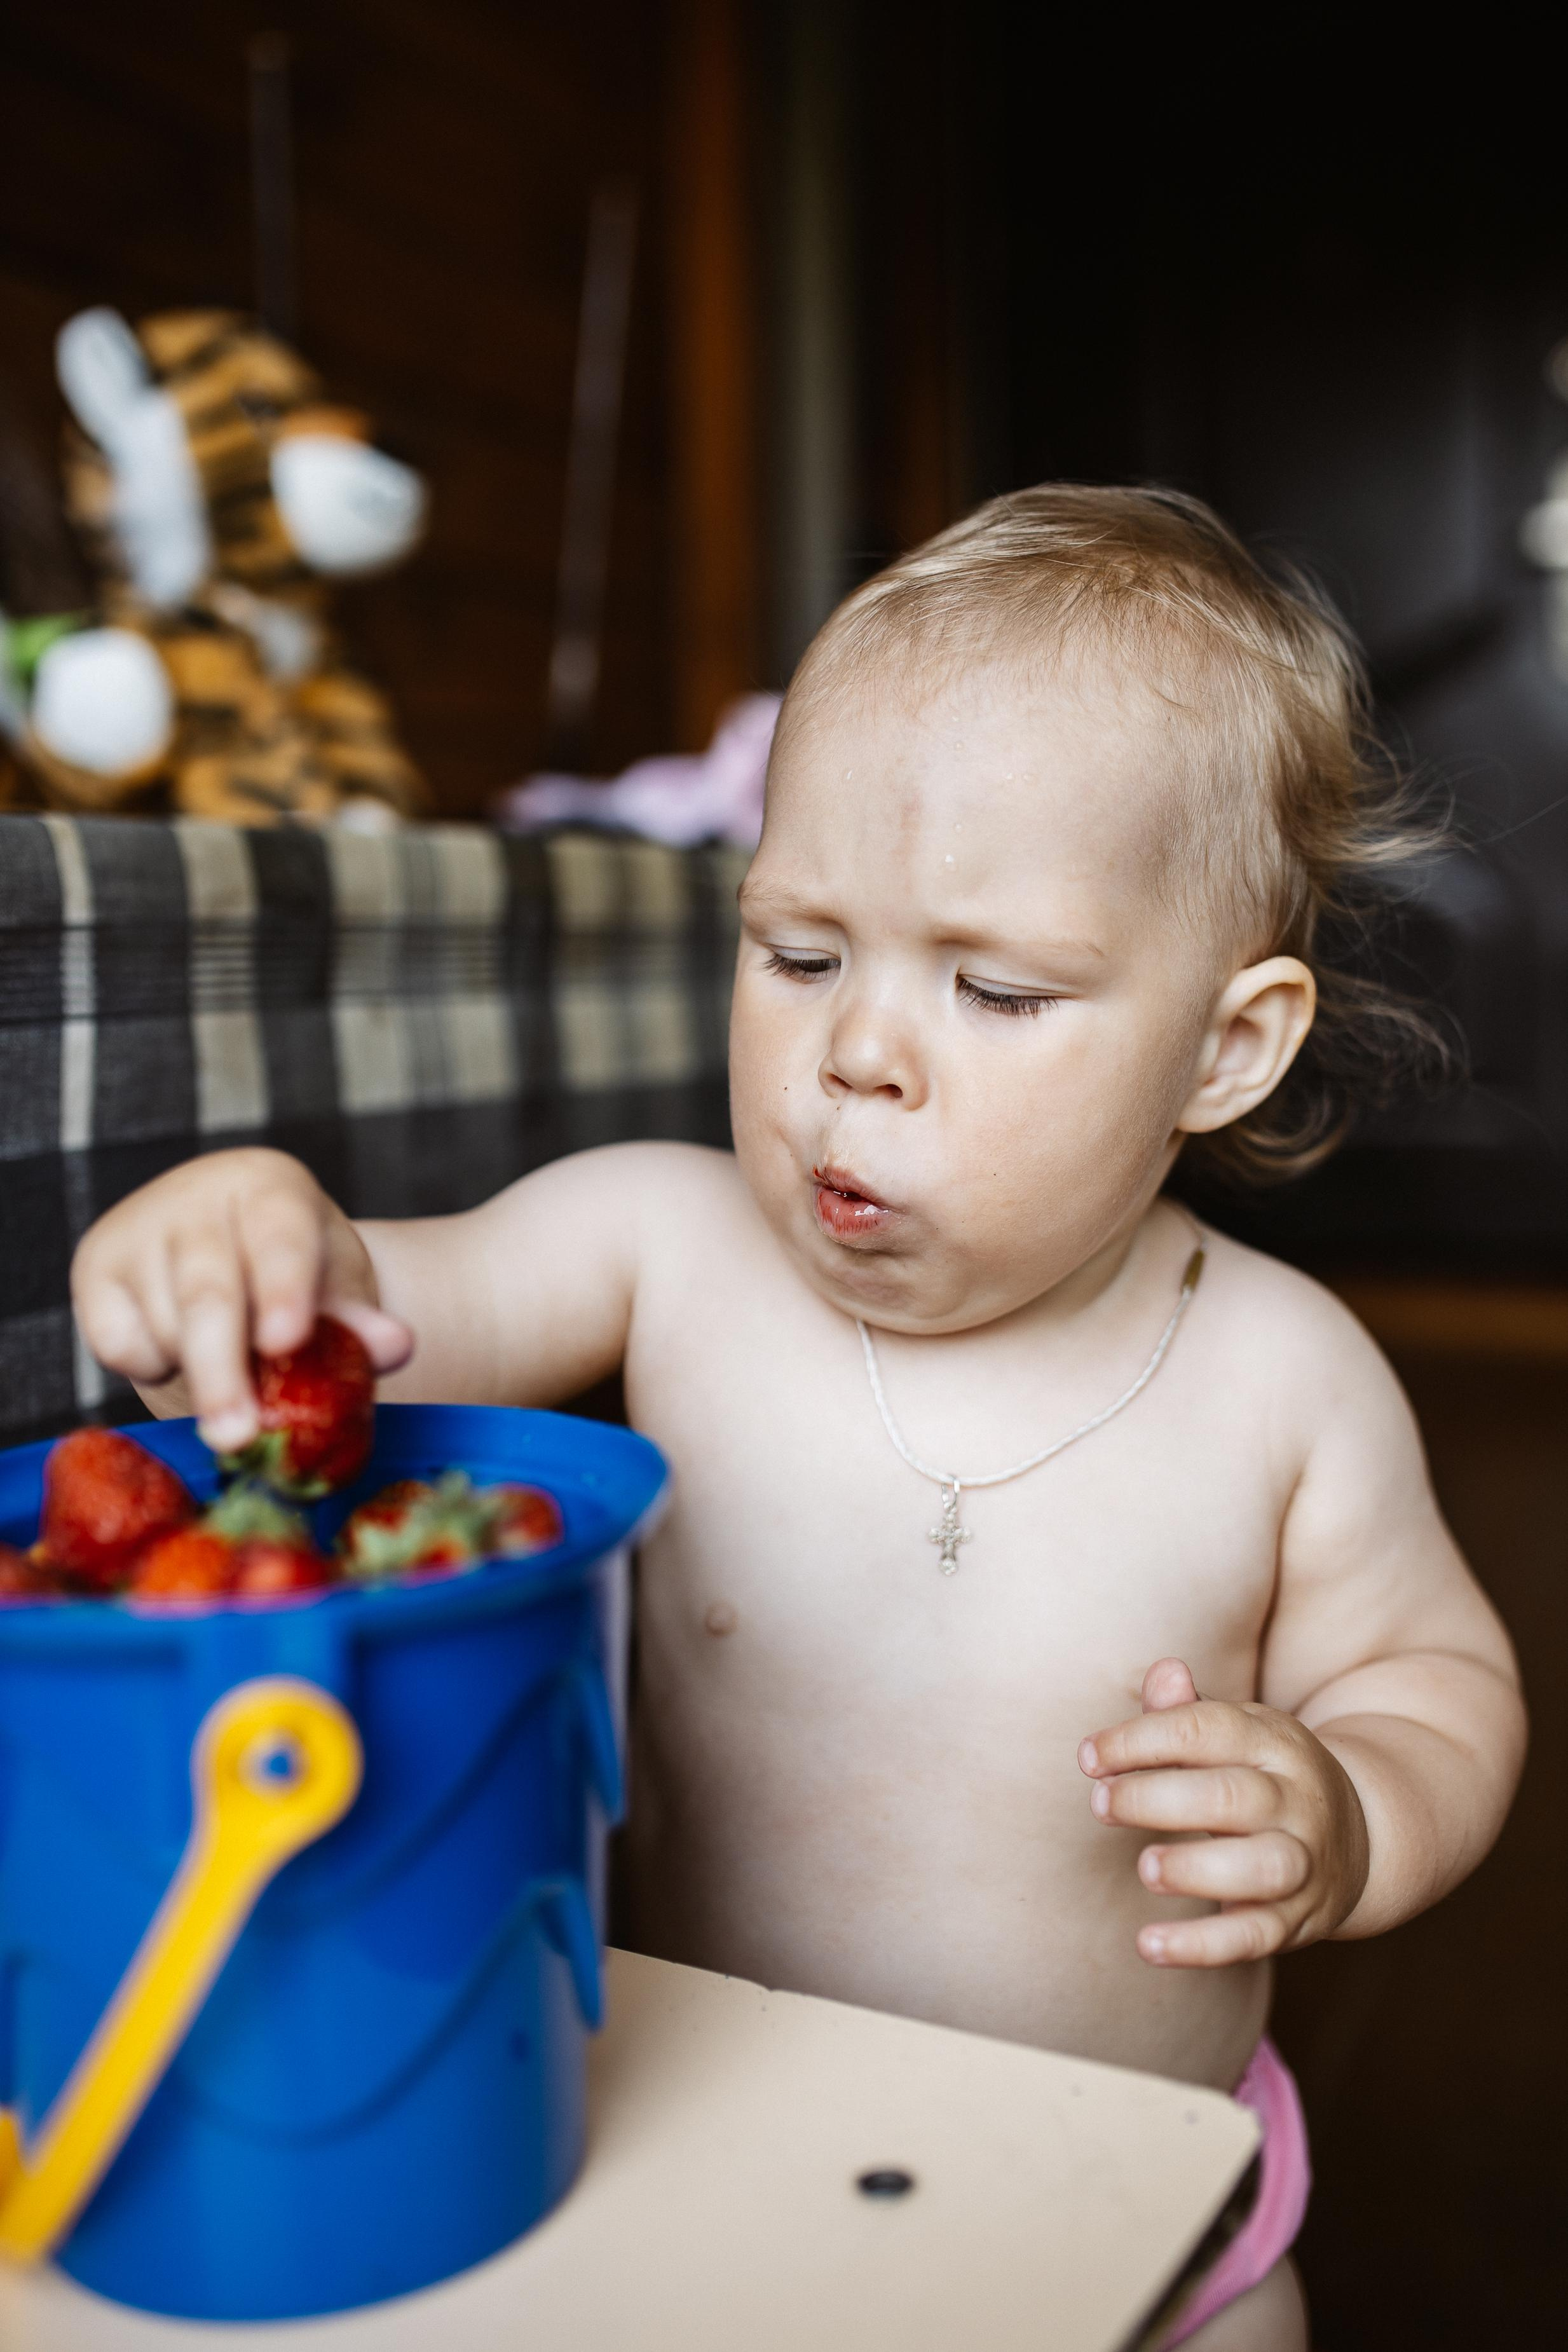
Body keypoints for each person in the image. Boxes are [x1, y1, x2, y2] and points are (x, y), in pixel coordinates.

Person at [72, 487, 1525, 2349]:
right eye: (798, 950)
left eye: (994, 987)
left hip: (1136, 2203)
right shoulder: (662, 1242)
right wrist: (246, 1233)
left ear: (1220, 1047)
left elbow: (1433, 1674)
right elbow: (354, 1325)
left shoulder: (1281, 1373)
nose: (857, 1050)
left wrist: (1345, 1804)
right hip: (710, 2162)